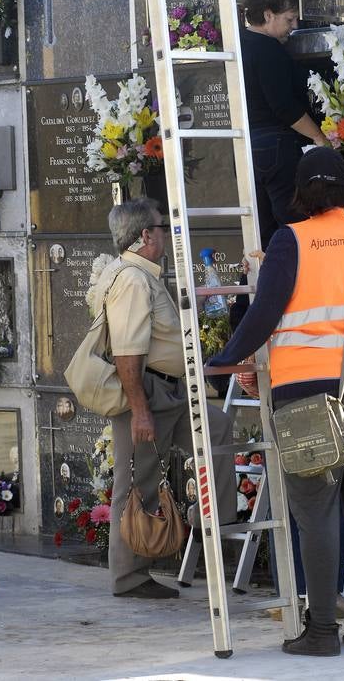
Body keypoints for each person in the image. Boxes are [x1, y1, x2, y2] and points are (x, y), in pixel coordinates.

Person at [208, 148, 344, 657]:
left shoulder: (290, 239)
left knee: (317, 512)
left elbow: (264, 314)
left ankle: (321, 632)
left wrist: (222, 360)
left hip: (313, 395)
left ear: (299, 190)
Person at [92, 198, 237, 599]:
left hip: (169, 391)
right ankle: (129, 578)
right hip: (147, 392)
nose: (167, 233)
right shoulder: (133, 280)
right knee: (136, 482)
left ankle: (211, 522)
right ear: (145, 235)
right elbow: (126, 351)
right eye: (162, 226)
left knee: (218, 427)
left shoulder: (141, 274)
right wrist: (140, 410)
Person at [241, 0, 326, 249]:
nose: (294, 26)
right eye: (289, 19)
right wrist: (320, 138)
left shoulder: (240, 44)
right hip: (276, 147)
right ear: (268, 14)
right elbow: (284, 107)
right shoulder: (268, 49)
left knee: (262, 233)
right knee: (295, 227)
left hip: (247, 147)